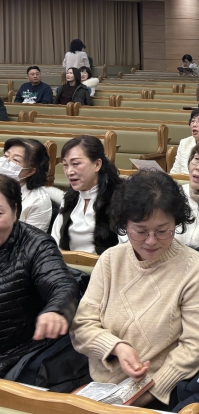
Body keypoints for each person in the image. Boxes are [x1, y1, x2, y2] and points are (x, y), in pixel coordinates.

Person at [71, 172, 199, 408]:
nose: (151, 241)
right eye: (140, 231)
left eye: (163, 231)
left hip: (157, 393)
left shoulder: (194, 268)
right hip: (99, 387)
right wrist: (117, 347)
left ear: (176, 223)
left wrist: (147, 391)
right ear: (125, 225)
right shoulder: (111, 260)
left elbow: (194, 347)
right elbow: (82, 325)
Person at [0, 175, 79, 378]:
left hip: (16, 355)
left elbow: (62, 284)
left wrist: (55, 311)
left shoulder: (36, 245)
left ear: (15, 211)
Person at [51, 136, 122, 254]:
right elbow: (55, 240)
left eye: (76, 164)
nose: (69, 172)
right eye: (65, 165)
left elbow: (126, 248)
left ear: (97, 164)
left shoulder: (119, 198)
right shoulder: (69, 198)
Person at [2, 138, 52, 231]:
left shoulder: (38, 201)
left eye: (15, 160)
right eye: (6, 156)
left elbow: (32, 238)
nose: (6, 162)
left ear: (30, 171)